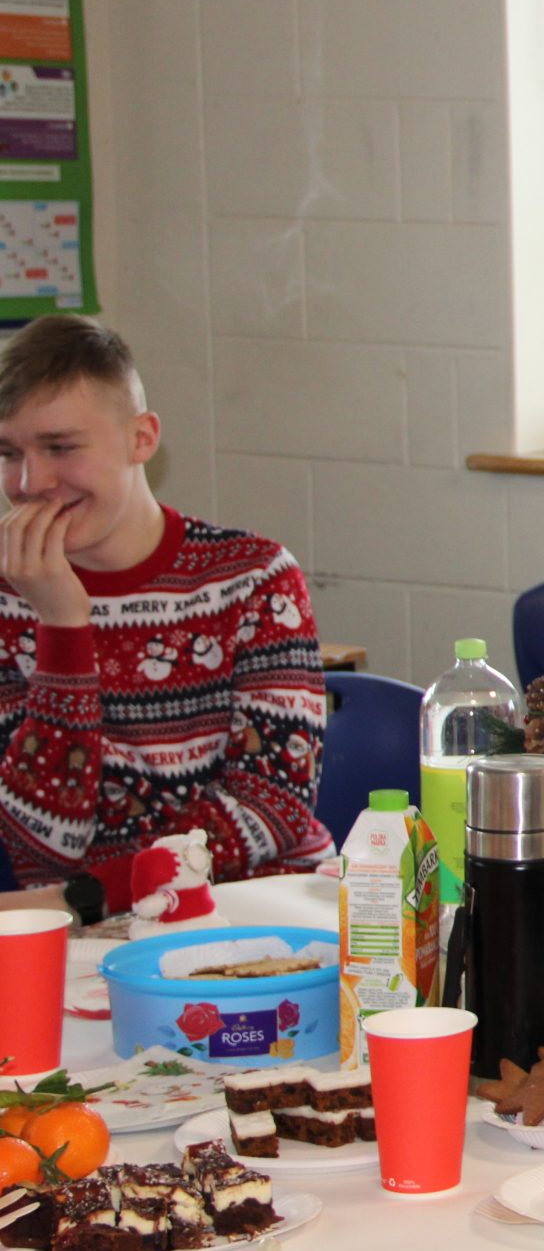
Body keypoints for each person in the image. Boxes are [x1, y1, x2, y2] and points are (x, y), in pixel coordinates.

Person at [0, 317, 330, 914]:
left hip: (252, 904)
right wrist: (61, 628)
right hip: (87, 929)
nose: (30, 482)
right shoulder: (9, 598)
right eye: (8, 453)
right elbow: (41, 844)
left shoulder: (253, 577)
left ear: (142, 439)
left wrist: (97, 894)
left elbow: (270, 808)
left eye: (60, 447)